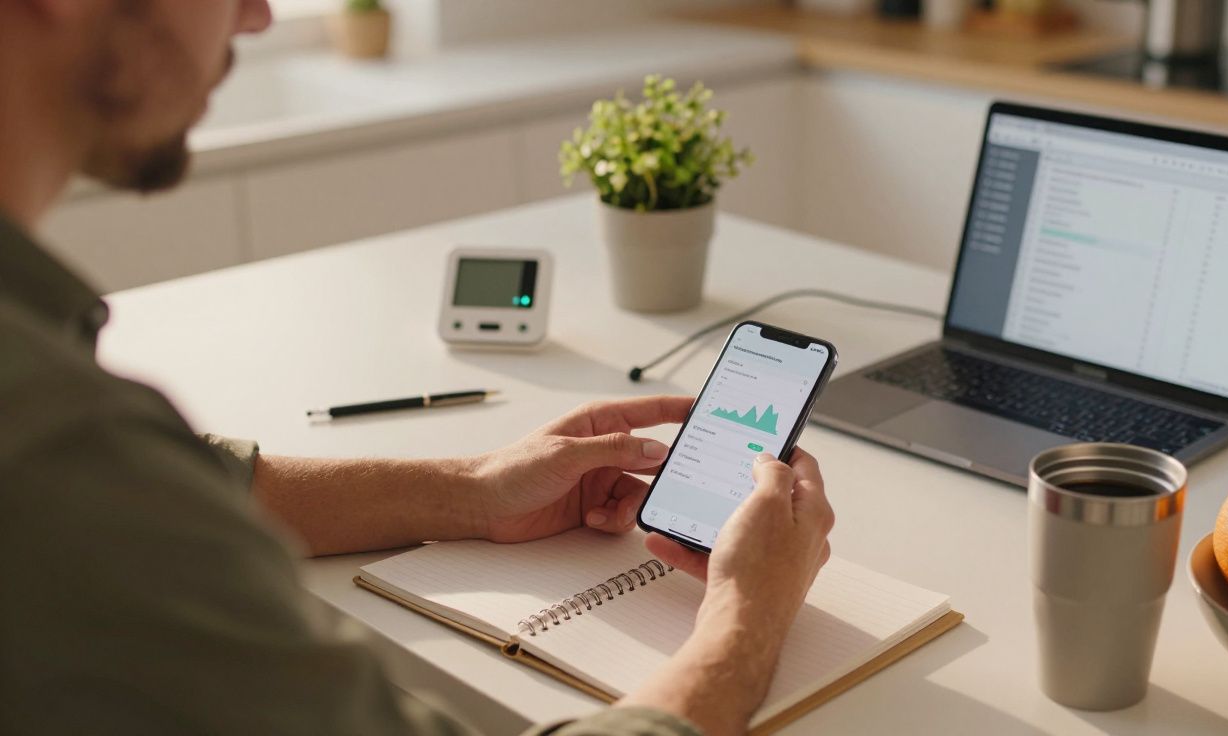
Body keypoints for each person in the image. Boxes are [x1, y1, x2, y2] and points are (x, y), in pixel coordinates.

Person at [0, 2, 835, 735]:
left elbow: (190, 479)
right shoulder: (56, 447)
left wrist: (469, 489)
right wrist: (746, 618)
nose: (257, 14)